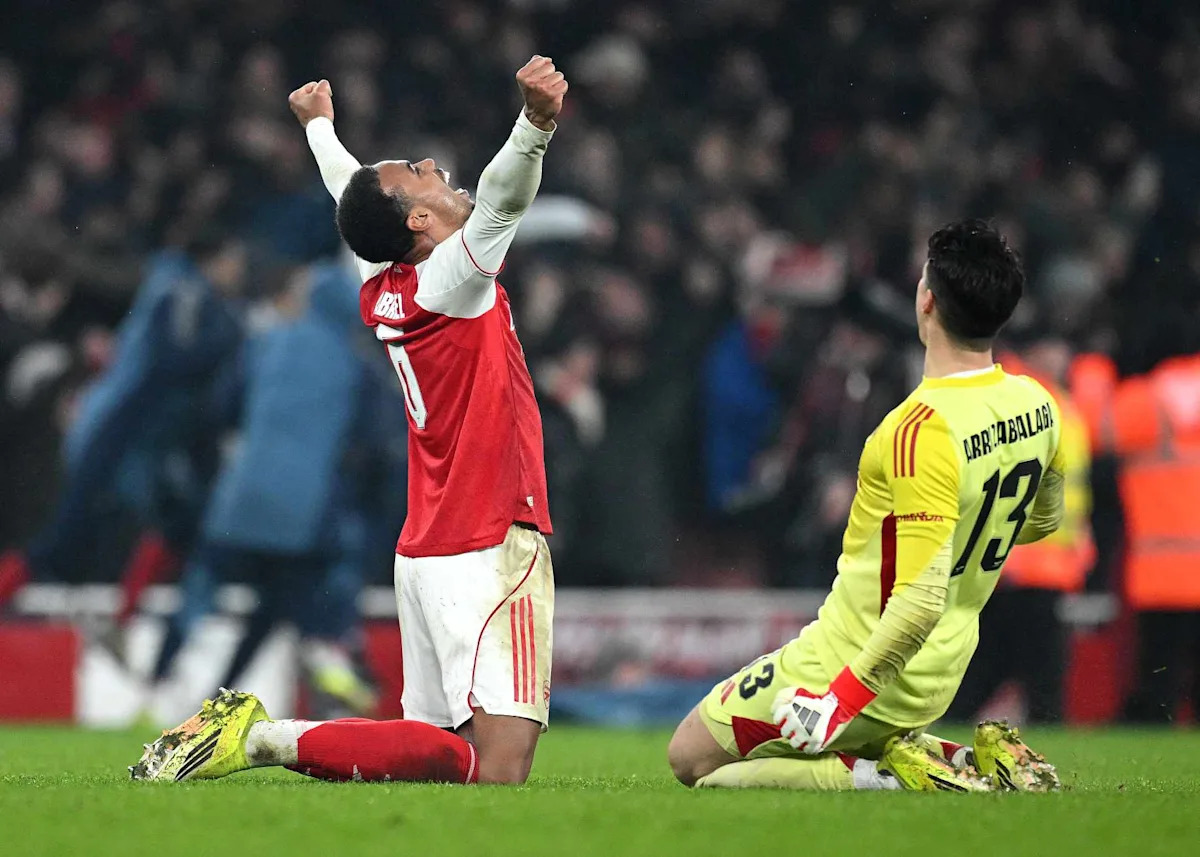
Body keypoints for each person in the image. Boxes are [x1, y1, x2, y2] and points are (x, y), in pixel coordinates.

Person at [131, 56, 565, 786]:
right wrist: (535, 126)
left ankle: (265, 739)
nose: (434, 166)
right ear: (419, 221)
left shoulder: (383, 281)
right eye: (418, 174)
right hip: (489, 537)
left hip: (425, 549)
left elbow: (351, 191)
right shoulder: (454, 279)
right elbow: (501, 200)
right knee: (498, 770)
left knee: (439, 754)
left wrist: (320, 130)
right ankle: (261, 737)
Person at [668, 220, 1065, 793]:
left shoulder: (919, 429)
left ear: (926, 301)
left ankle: (885, 778)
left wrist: (837, 701)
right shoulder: (1037, 403)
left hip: (857, 662)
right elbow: (1042, 521)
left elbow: (920, 601)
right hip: (944, 667)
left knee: (692, 761)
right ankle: (963, 760)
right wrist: (964, 530)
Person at [0, 233, 245, 615]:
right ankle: (119, 613)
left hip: (152, 435)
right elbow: (173, 360)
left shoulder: (190, 297)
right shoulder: (183, 295)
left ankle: (123, 615)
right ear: (213, 260)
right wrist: (230, 336)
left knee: (174, 524)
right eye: (234, 260)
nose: (239, 270)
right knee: (71, 532)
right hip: (129, 431)